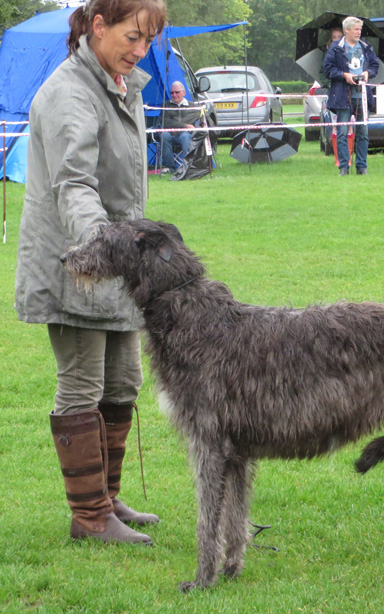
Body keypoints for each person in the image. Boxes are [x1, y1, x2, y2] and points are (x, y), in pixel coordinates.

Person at [14, 0, 166, 545]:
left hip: (117, 262)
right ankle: (89, 516)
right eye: (132, 36)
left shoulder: (121, 82)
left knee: (123, 381)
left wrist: (127, 249)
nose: (139, 50)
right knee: (82, 384)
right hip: (76, 261)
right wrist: (105, 242)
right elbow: (73, 183)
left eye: (147, 40)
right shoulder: (69, 92)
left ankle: (108, 498)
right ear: (97, 26)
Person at [323, 16, 380, 176]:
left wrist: (368, 73)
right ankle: (344, 167)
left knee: (363, 132)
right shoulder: (336, 48)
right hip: (342, 95)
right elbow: (328, 70)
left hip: (362, 95)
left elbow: (375, 65)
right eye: (356, 29)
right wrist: (344, 75)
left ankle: (362, 167)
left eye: (360, 29)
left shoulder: (366, 47)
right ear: (346, 30)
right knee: (342, 132)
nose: (358, 32)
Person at [160, 80, 200, 172]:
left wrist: (185, 127)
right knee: (163, 135)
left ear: (184, 93)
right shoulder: (165, 105)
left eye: (177, 92)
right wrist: (185, 125)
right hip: (170, 134)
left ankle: (187, 166)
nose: (174, 95)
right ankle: (170, 167)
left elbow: (198, 121)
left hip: (184, 135)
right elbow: (165, 122)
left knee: (186, 136)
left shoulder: (193, 107)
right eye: (172, 93)